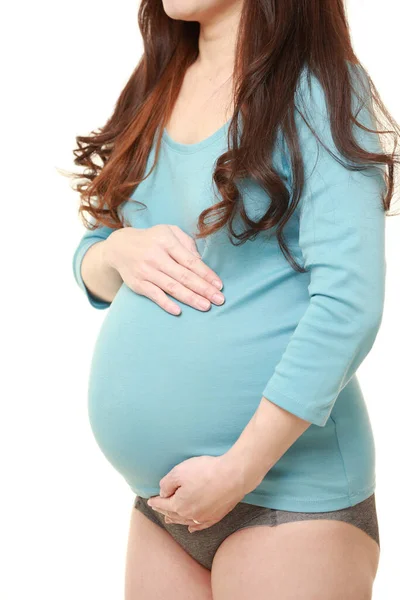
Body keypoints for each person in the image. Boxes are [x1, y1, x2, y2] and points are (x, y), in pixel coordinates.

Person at [69, 1, 399, 598]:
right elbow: (97, 249)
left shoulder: (319, 87)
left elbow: (349, 302)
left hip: (290, 502)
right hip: (165, 508)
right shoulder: (161, 80)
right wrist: (115, 251)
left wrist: (239, 469)